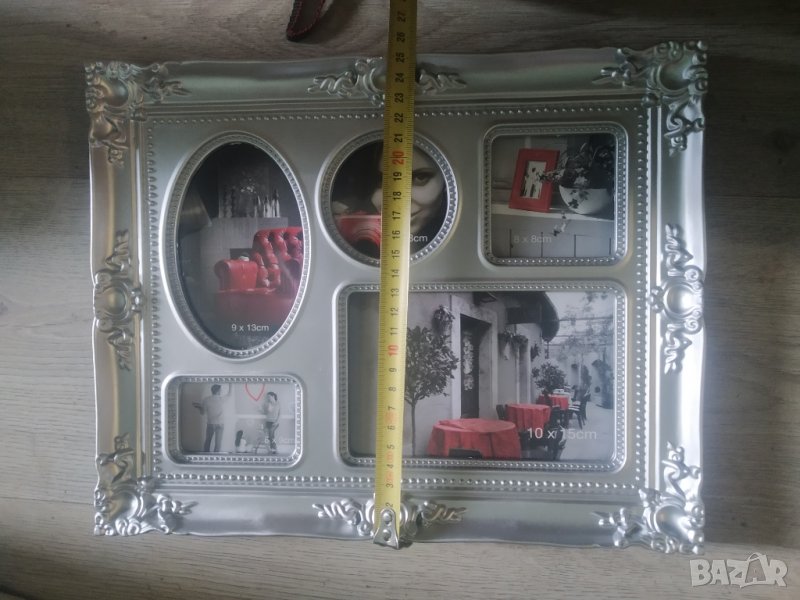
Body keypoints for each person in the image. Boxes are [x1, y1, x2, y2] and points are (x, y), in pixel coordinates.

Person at [331, 142, 447, 258]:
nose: (398, 202)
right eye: (380, 181)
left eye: (420, 177)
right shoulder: (344, 217)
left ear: (446, 180)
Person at [193, 383, 231, 452]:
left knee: (207, 442)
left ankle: (206, 456)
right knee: (218, 443)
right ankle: (216, 457)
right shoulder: (221, 399)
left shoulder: (206, 400)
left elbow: (202, 413)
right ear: (218, 391)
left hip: (211, 424)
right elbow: (229, 394)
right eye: (220, 390)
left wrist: (199, 407)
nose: (221, 391)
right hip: (220, 424)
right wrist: (230, 384)